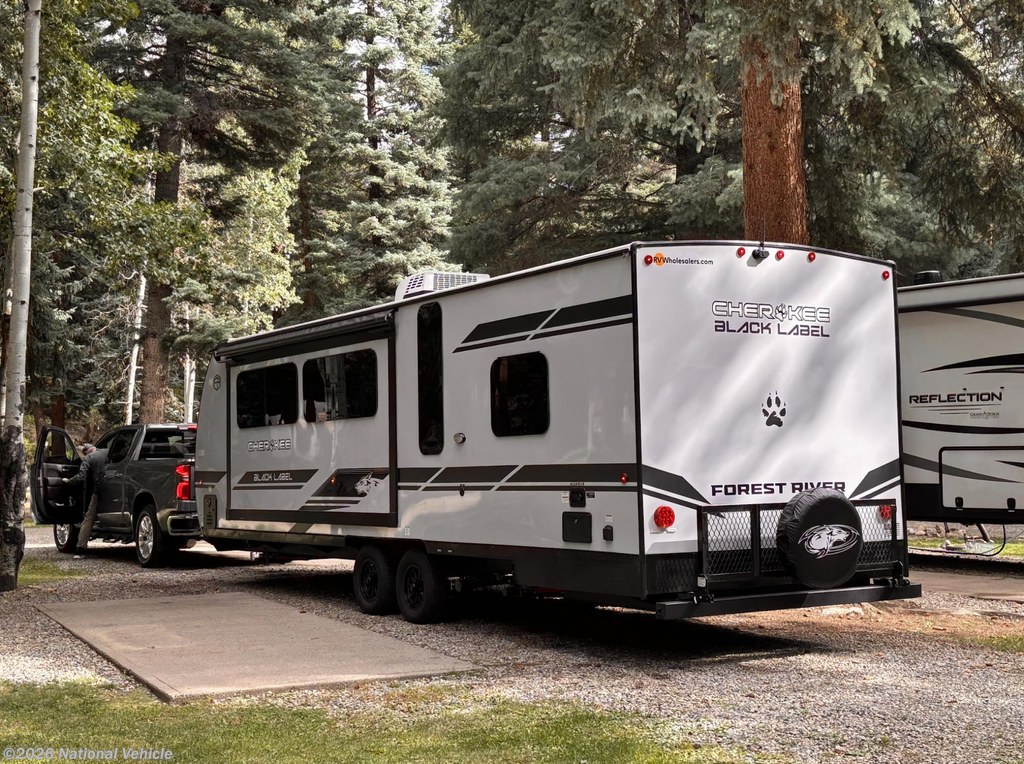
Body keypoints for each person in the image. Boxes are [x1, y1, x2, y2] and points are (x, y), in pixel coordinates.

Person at [63, 443, 109, 558]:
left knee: (89, 518)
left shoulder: (89, 458)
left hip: (100, 489)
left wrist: (68, 481)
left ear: (87, 452)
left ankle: (80, 549)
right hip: (116, 488)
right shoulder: (108, 452)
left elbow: (82, 476)